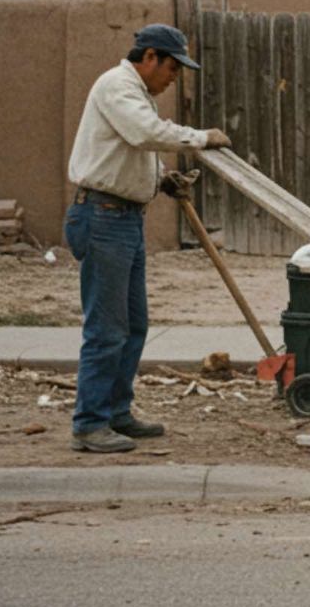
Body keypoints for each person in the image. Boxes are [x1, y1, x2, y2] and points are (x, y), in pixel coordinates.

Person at [63, 24, 230, 454]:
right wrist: (200, 137)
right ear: (150, 56)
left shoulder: (138, 94)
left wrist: (161, 179)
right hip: (102, 216)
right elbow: (143, 134)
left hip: (123, 217)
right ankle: (89, 423)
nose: (174, 77)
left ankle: (116, 413)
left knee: (134, 325)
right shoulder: (117, 85)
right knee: (107, 328)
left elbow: (131, 150)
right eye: (172, 66)